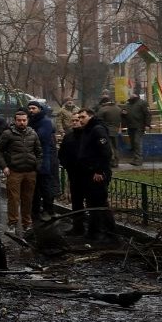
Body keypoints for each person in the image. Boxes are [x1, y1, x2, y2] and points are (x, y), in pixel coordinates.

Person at [61, 109, 116, 238]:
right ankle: (93, 231)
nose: (80, 120)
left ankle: (108, 233)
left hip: (96, 173)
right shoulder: (87, 130)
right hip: (85, 172)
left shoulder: (97, 129)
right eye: (77, 118)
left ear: (90, 116)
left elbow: (105, 152)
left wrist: (99, 170)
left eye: (82, 117)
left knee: (99, 204)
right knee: (93, 203)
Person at [0, 109, 42, 233]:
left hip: (30, 172)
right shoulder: (8, 134)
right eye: (19, 120)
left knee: (28, 199)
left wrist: (37, 166)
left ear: (27, 120)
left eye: (24, 120)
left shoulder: (33, 133)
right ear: (14, 121)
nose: (22, 122)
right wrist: (4, 167)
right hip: (14, 171)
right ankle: (12, 223)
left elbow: (39, 151)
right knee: (13, 199)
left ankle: (27, 223)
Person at [27, 101, 58, 220]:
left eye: (33, 108)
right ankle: (35, 210)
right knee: (35, 187)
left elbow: (41, 137)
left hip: (45, 158)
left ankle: (48, 210)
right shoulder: (31, 121)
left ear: (39, 109)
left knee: (45, 186)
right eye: (29, 108)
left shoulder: (45, 121)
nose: (31, 110)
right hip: (33, 158)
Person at [124, 91, 151, 166]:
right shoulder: (128, 104)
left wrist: (147, 124)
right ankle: (135, 158)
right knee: (133, 143)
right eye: (130, 94)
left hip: (139, 126)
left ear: (136, 95)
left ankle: (139, 160)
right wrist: (123, 113)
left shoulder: (142, 103)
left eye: (133, 93)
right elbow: (124, 114)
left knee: (137, 142)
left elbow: (148, 114)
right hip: (130, 126)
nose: (131, 95)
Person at [96, 97, 124, 167]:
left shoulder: (103, 109)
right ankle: (117, 161)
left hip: (106, 131)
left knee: (108, 146)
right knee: (115, 146)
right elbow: (123, 118)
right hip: (116, 130)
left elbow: (98, 120)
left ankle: (112, 160)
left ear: (104, 102)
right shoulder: (118, 108)